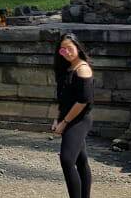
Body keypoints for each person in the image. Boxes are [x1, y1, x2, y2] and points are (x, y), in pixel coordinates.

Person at [53, 33, 94, 198]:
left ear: (77, 48)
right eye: (63, 50)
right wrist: (58, 118)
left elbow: (82, 101)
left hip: (79, 120)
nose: (67, 53)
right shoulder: (68, 68)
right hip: (68, 117)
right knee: (80, 160)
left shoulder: (82, 69)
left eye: (70, 48)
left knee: (67, 160)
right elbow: (64, 98)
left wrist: (64, 122)